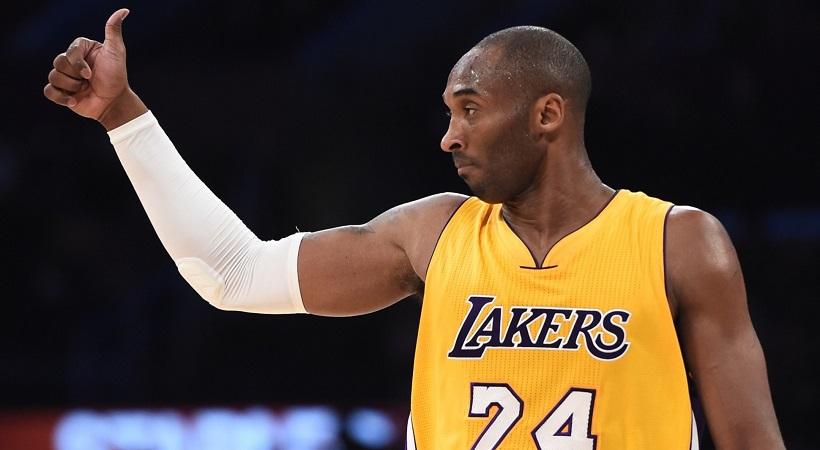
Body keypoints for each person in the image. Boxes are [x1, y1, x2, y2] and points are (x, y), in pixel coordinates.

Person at [44, 8, 785, 450]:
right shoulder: (433, 234)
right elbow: (232, 273)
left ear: (547, 115)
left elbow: (753, 442)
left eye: (470, 109)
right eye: (448, 113)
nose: (449, 136)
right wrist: (123, 117)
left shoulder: (677, 241)